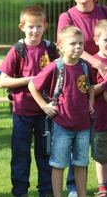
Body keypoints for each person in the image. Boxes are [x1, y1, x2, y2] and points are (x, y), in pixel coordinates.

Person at [57, 0, 107, 196]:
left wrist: (105, 68)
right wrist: (96, 63)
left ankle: (105, 185)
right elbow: (64, 46)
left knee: (105, 135)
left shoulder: (106, 11)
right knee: (77, 134)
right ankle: (73, 187)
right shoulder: (66, 16)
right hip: (78, 80)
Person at [28, 25, 96, 197]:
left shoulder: (86, 66)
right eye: (73, 43)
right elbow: (32, 85)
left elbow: (92, 85)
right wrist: (44, 105)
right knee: (58, 164)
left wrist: (91, 102)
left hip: (83, 125)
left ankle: (82, 194)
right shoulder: (55, 67)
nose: (78, 47)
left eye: (81, 43)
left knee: (81, 163)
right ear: (60, 47)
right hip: (62, 125)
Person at [0, 5, 58, 197]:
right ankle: (20, 191)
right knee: (21, 154)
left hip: (46, 112)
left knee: (46, 153)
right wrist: (29, 80)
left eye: (38, 26)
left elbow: (60, 74)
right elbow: (3, 80)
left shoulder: (50, 49)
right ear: (22, 27)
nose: (35, 31)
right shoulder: (18, 49)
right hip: (22, 112)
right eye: (30, 27)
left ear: (45, 26)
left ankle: (47, 191)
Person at [91, 20, 107, 197]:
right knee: (102, 154)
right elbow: (89, 90)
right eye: (106, 39)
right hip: (101, 118)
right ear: (96, 40)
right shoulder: (93, 62)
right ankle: (102, 186)